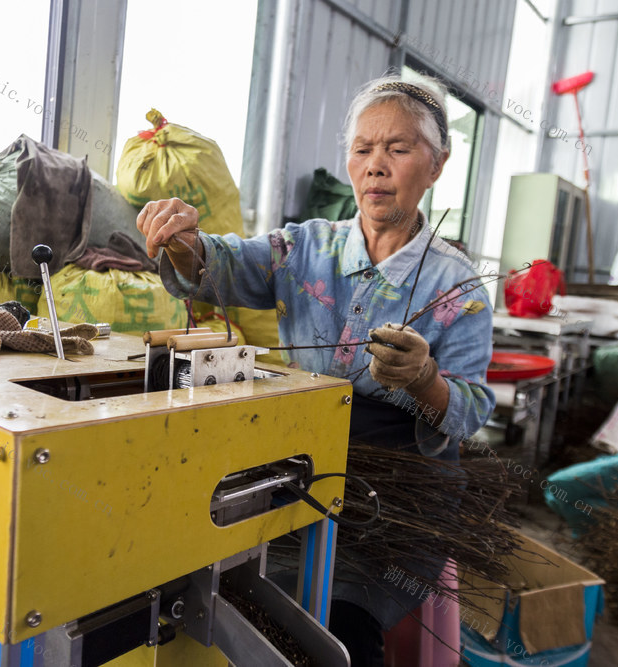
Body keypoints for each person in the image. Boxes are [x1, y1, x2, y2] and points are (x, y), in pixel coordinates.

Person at [137, 72, 494, 666]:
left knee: (340, 632)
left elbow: (470, 413)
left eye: (398, 149)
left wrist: (424, 379)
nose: (376, 166)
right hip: (296, 468)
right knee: (251, 602)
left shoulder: (458, 284)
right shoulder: (306, 247)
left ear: (436, 165)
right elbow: (225, 263)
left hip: (397, 494)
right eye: (362, 150)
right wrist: (185, 242)